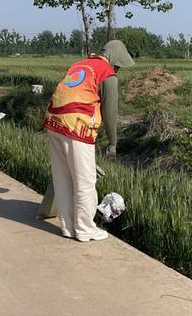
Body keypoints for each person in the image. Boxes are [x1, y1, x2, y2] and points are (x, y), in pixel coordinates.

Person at [43, 40, 134, 242]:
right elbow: (110, 112)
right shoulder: (108, 73)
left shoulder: (81, 64)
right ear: (115, 59)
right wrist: (112, 143)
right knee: (85, 180)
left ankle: (68, 227)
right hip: (76, 125)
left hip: (53, 121)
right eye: (118, 65)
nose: (117, 69)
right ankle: (85, 229)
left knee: (63, 177)